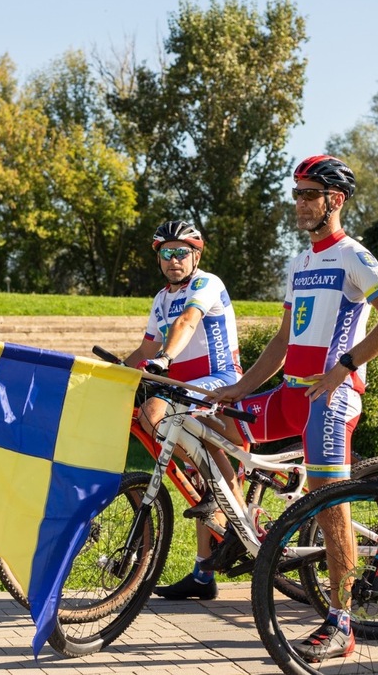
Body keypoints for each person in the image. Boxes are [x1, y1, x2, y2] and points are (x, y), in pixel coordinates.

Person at [210, 155, 378, 663]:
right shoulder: (299, 263)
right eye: (296, 194)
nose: (298, 203)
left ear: (335, 201)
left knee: (328, 501)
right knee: (212, 424)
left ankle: (343, 622)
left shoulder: (354, 256)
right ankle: (251, 521)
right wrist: (238, 387)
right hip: (292, 393)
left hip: (331, 396)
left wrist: (345, 367)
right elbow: (282, 340)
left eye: (308, 195)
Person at [122, 220, 244, 601]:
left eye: (182, 252)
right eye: (166, 253)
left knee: (172, 420)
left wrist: (166, 357)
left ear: (196, 255)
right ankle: (203, 574)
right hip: (181, 385)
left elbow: (188, 321)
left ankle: (227, 506)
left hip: (219, 379)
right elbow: (144, 351)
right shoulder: (160, 298)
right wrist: (106, 377)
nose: (174, 260)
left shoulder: (205, 284)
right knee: (156, 423)